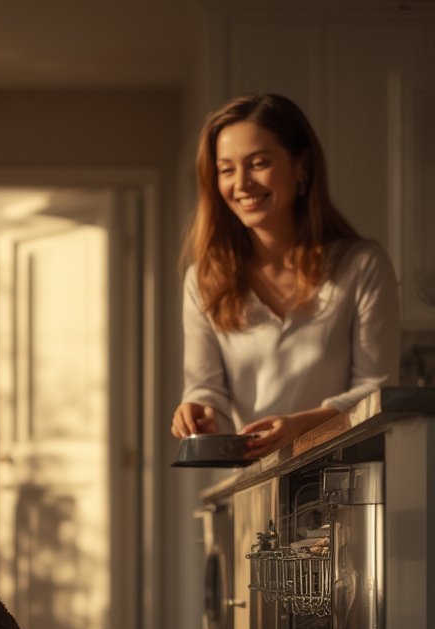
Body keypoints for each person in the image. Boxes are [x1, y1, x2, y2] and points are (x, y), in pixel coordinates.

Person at [171, 93, 400, 460]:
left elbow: (377, 390)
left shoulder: (361, 266)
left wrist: (302, 426)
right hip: (257, 486)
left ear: (303, 167)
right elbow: (205, 387)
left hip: (352, 476)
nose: (242, 183)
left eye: (258, 163)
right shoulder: (203, 280)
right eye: (226, 169)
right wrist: (199, 407)